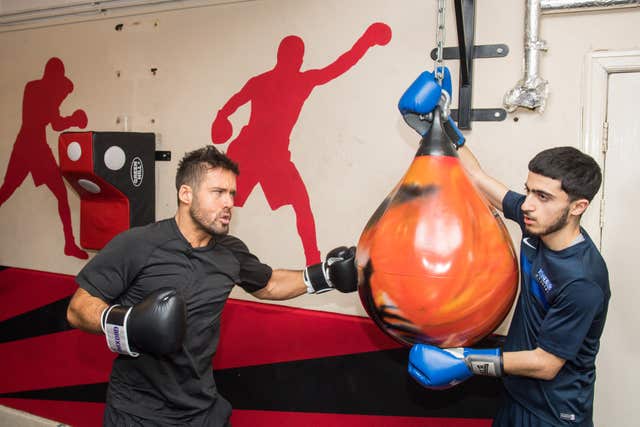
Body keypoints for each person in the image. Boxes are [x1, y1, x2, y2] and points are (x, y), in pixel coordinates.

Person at [66, 145, 358, 426]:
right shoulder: (137, 244)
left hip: (202, 410)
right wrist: (127, 323)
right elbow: (78, 308)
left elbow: (269, 284)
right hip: (138, 413)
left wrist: (325, 276)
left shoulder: (230, 251)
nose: (229, 202)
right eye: (218, 192)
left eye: (231, 193)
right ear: (186, 194)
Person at [409, 143, 610, 426]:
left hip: (553, 413)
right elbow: (477, 177)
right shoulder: (538, 223)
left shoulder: (582, 280)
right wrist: (445, 129)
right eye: (528, 190)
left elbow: (546, 364)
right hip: (515, 393)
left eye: (542, 196)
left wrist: (466, 360)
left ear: (578, 207)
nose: (527, 204)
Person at [211, 22, 391, 265]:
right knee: (226, 204)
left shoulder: (291, 81)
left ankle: (313, 262)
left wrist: (367, 41)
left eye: (299, 56)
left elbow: (341, 65)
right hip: (252, 153)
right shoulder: (282, 81)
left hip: (268, 155)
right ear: (284, 57)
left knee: (299, 203)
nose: (297, 60)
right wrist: (222, 118)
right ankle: (311, 261)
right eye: (295, 55)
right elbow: (340, 64)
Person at [0, 57, 88, 259]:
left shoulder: (39, 89)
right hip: (30, 146)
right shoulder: (38, 90)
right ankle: (69, 244)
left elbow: (53, 118)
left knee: (58, 194)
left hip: (32, 145)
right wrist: (74, 119)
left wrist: (65, 104)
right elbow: (56, 123)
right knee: (7, 190)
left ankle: (69, 244)